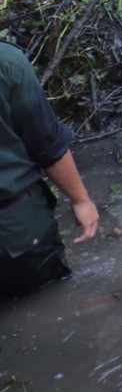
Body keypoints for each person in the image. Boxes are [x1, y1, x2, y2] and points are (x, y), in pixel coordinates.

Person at [0, 40, 99, 298]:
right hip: (17, 236)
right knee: (54, 299)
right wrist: (81, 200)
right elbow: (47, 145)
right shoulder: (7, 61)